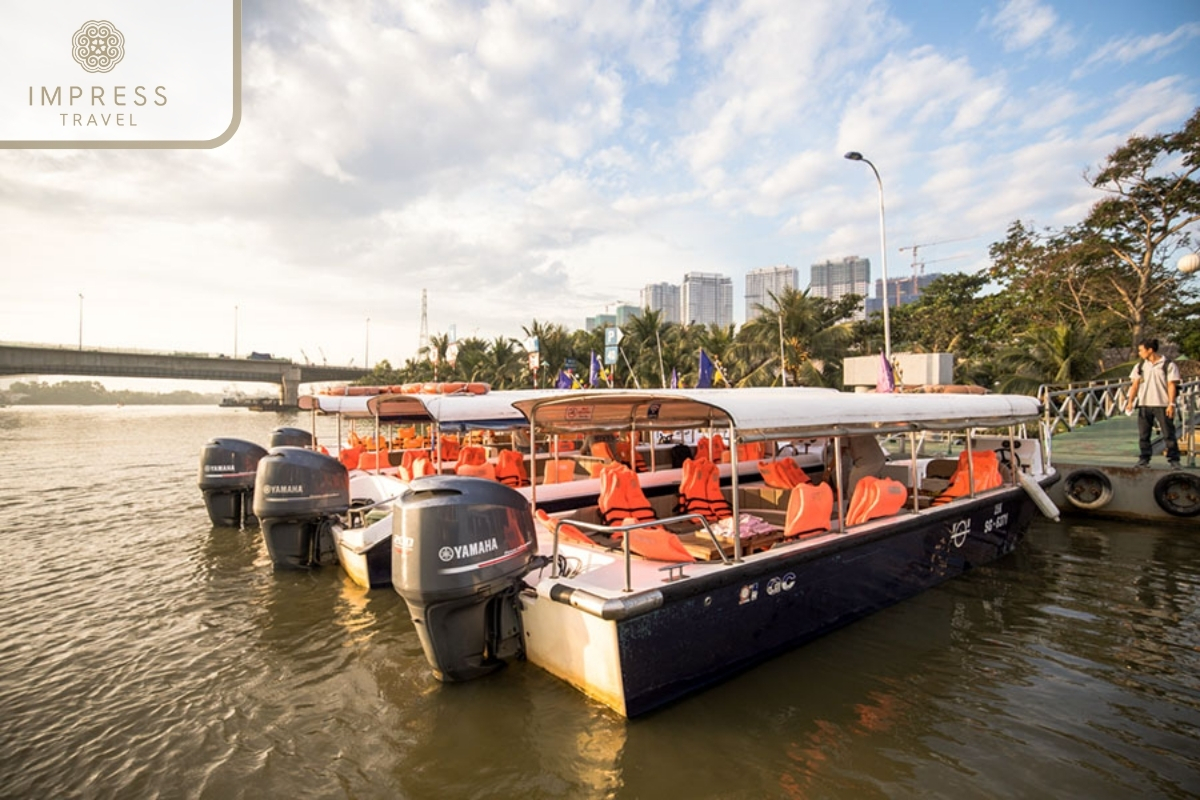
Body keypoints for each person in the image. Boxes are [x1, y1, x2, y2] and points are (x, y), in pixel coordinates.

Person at [1125, 338, 1181, 469]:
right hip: (1144, 404)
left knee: (1168, 433)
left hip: (1162, 404)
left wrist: (1171, 404)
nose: (1139, 353)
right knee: (1144, 434)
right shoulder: (1140, 366)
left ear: (1150, 350)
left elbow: (1171, 385)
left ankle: (1174, 460)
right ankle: (1144, 459)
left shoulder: (1168, 365)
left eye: (1141, 350)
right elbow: (1134, 385)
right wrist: (1130, 402)